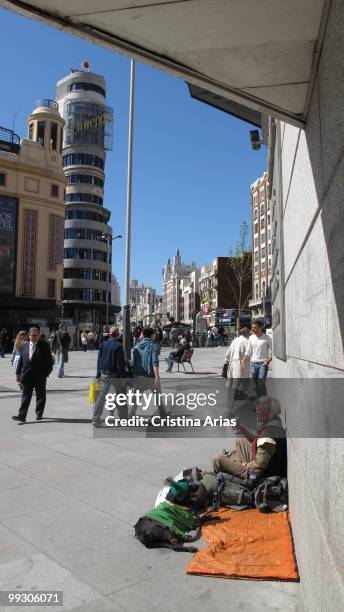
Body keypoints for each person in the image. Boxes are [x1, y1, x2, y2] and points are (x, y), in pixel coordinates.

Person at [212, 395, 287, 480]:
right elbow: (258, 442)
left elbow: (260, 464)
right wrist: (242, 429)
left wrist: (247, 465)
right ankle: (235, 464)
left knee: (217, 460)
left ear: (269, 414)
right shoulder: (273, 423)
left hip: (261, 474)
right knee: (240, 441)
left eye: (260, 411)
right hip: (267, 460)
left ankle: (226, 478)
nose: (257, 413)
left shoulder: (267, 436)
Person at [12, 327, 53, 422]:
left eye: (36, 335)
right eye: (32, 335)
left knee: (40, 395)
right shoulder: (24, 345)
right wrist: (18, 374)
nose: (34, 337)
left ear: (38, 335)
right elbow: (21, 361)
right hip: (27, 375)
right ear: (29, 336)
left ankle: (39, 413)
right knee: (26, 395)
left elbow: (49, 361)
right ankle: (22, 416)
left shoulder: (44, 345)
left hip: (40, 375)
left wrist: (46, 373)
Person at [93, 327, 126, 427]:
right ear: (117, 334)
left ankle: (96, 418)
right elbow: (120, 363)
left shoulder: (103, 344)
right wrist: (123, 376)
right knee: (120, 395)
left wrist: (98, 374)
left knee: (101, 396)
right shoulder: (118, 346)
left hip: (103, 372)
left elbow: (99, 360)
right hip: (114, 374)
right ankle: (122, 417)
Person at [131, 326, 167, 418]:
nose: (155, 336)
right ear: (152, 335)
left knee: (136, 398)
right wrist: (157, 377)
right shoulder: (154, 345)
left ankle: (131, 415)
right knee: (158, 396)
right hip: (150, 376)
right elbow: (155, 361)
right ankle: (163, 415)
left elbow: (133, 362)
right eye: (154, 334)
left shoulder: (137, 346)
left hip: (139, 376)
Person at [242, 320, 272, 398]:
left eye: (255, 328)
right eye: (252, 328)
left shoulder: (267, 338)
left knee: (261, 383)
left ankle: (262, 403)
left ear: (261, 327)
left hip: (263, 364)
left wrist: (268, 361)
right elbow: (248, 352)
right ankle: (261, 402)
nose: (253, 330)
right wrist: (243, 362)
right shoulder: (251, 338)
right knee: (257, 385)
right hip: (253, 364)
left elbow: (273, 351)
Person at [223, 327, 250, 399]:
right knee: (241, 379)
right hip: (242, 363)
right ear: (246, 333)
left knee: (235, 379)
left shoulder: (235, 340)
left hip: (233, 362)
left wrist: (226, 360)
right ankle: (238, 394)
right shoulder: (247, 341)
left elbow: (228, 353)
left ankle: (236, 393)